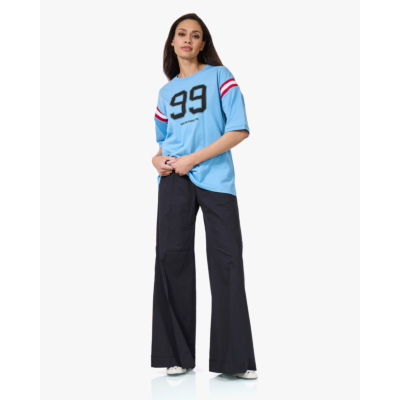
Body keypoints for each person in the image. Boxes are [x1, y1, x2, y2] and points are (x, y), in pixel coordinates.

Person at [151, 13, 258, 380]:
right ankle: (176, 354)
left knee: (227, 261)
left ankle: (235, 360)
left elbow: (238, 129)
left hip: (215, 179)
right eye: (181, 34)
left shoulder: (220, 76)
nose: (188, 39)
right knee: (171, 259)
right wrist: (156, 161)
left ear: (202, 43)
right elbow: (164, 141)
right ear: (172, 41)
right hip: (173, 181)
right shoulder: (165, 93)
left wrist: (192, 159)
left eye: (195, 35)